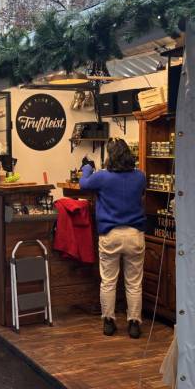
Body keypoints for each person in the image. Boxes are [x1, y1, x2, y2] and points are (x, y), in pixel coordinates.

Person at [79, 138, 147, 339]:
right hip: (135, 234)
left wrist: (86, 168)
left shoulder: (102, 177)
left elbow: (84, 184)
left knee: (108, 281)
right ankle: (134, 323)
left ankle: (109, 322)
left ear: (110, 156)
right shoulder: (140, 176)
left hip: (110, 234)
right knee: (134, 282)